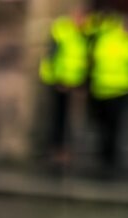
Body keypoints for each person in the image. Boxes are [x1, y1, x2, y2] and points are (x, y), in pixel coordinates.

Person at [87, 13, 128, 174]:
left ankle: (106, 158)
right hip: (114, 91)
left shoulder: (108, 40)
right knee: (110, 128)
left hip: (108, 91)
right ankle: (108, 159)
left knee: (108, 128)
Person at [39, 10, 89, 167]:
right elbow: (54, 57)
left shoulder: (81, 35)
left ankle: (63, 149)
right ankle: (56, 149)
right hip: (59, 83)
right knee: (58, 117)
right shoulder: (63, 31)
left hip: (72, 83)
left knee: (67, 117)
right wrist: (59, 80)